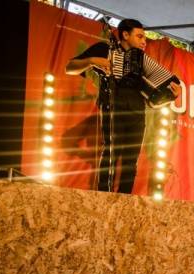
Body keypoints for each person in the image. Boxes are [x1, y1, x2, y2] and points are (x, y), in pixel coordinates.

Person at [65, 18, 180, 194]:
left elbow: (155, 97)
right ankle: (103, 195)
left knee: (131, 159)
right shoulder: (105, 49)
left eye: (145, 38)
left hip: (137, 112)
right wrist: (92, 60)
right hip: (112, 106)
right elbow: (70, 68)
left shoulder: (143, 61)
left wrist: (172, 94)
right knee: (110, 151)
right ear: (125, 34)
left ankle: (124, 201)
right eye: (140, 36)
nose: (144, 42)